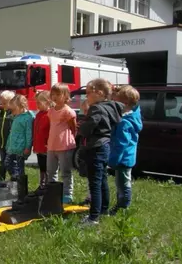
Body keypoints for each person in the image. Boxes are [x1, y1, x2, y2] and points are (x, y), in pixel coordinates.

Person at [79, 78, 124, 225]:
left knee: (95, 183)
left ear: (98, 93)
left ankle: (93, 217)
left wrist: (81, 127)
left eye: (88, 93)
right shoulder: (111, 107)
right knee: (102, 179)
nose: (87, 97)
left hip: (96, 147)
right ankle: (103, 209)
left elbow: (88, 128)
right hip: (105, 146)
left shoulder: (96, 108)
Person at [109, 85, 142, 215]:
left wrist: (113, 160)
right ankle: (121, 204)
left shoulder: (124, 122)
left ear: (125, 103)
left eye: (116, 100)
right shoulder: (133, 115)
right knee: (123, 181)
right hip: (127, 156)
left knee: (122, 184)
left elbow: (121, 143)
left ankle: (123, 207)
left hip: (123, 158)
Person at [46, 83, 77, 204]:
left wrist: (70, 139)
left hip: (64, 146)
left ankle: (67, 194)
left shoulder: (68, 111)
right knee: (51, 171)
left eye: (58, 94)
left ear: (65, 96)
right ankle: (52, 192)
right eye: (53, 94)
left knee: (65, 171)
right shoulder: (51, 111)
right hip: (52, 145)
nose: (54, 97)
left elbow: (73, 128)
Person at [5, 95, 34, 181]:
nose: (11, 111)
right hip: (12, 147)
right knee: (7, 163)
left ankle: (20, 183)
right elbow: (12, 133)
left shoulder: (28, 118)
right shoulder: (16, 116)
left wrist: (28, 147)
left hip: (20, 148)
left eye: (13, 109)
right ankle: (15, 178)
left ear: (21, 106)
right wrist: (8, 144)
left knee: (19, 167)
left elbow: (29, 134)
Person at [0, 90, 15, 184]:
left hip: (10, 144)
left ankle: (14, 177)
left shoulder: (13, 115)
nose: (2, 105)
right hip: (2, 143)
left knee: (10, 162)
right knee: (2, 161)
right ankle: (1, 176)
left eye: (4, 103)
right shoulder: (0, 114)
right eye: (1, 103)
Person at [32, 91, 51, 189]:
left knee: (47, 167)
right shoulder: (38, 114)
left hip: (46, 147)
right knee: (41, 166)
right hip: (39, 146)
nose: (37, 105)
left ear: (47, 102)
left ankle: (47, 185)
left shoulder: (50, 114)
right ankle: (42, 184)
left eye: (39, 103)